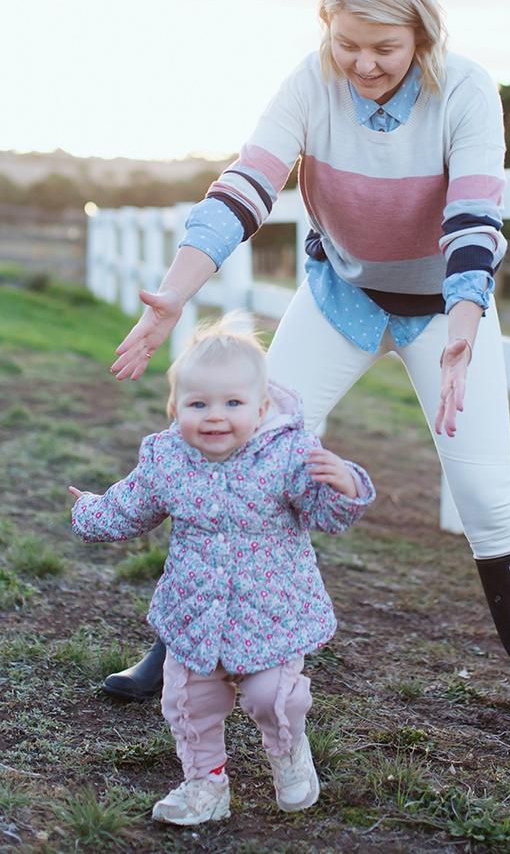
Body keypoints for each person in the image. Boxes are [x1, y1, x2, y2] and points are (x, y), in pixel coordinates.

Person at [105, 0, 510, 773]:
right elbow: (246, 185)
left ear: (423, 36)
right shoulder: (310, 81)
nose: (364, 63)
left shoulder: (467, 91)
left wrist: (466, 327)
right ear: (327, 31)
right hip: (341, 295)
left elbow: (475, 217)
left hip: (447, 307)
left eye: (386, 47)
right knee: (243, 449)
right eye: (348, 45)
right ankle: (179, 649)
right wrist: (176, 289)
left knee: (486, 492)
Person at [69, 318, 375, 825]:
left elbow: (325, 513)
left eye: (232, 404)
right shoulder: (168, 459)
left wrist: (345, 485)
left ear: (259, 409)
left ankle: (288, 753)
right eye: (198, 404)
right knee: (190, 703)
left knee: (273, 697)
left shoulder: (289, 455)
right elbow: (132, 506)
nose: (215, 417)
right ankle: (205, 784)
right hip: (194, 614)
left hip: (271, 612)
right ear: (176, 409)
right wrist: (89, 510)